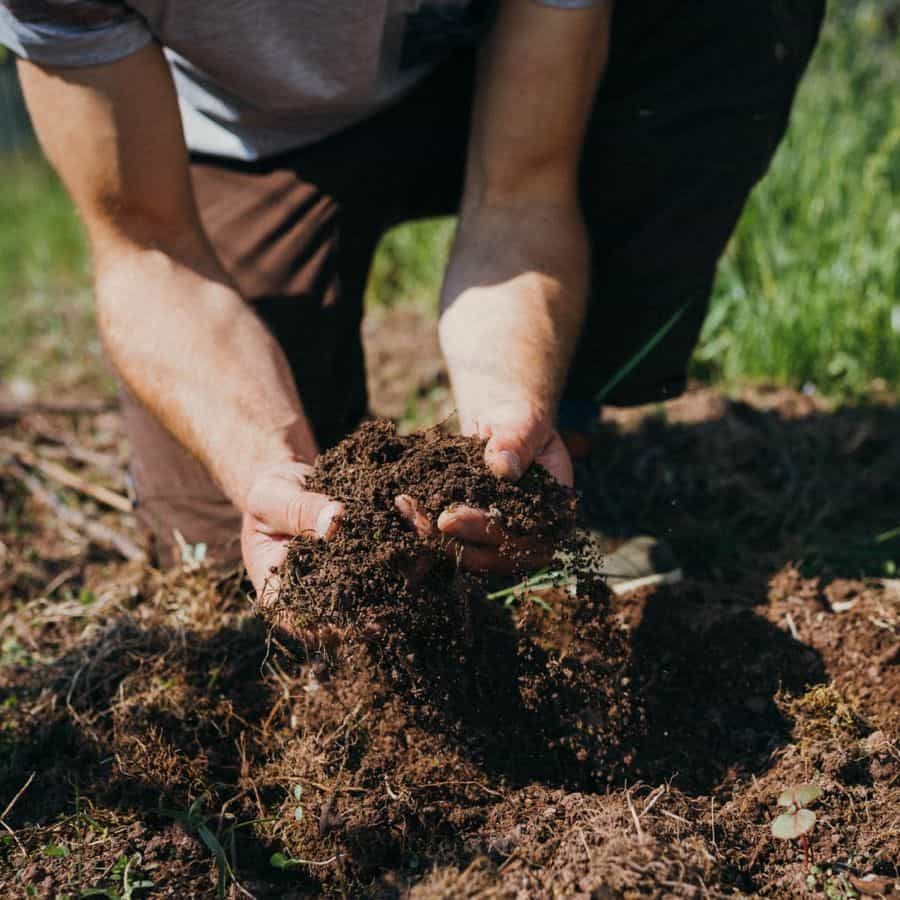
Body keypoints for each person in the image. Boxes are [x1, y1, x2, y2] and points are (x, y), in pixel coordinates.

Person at [1, 0, 824, 605]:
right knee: (238, 548)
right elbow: (149, 251)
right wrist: (259, 459)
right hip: (247, 140)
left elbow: (521, 193)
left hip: (484, 75)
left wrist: (513, 408)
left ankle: (561, 441)